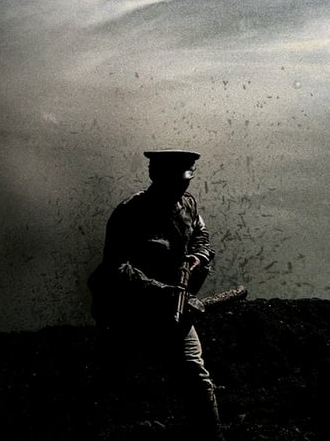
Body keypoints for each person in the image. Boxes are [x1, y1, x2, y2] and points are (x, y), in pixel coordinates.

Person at [87, 149, 224, 441]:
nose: (182, 185)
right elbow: (116, 268)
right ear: (155, 176)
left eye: (186, 178)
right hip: (127, 310)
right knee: (114, 382)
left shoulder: (188, 204)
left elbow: (201, 234)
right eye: (175, 179)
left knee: (196, 376)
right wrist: (162, 291)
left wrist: (197, 257)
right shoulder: (130, 212)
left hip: (172, 309)